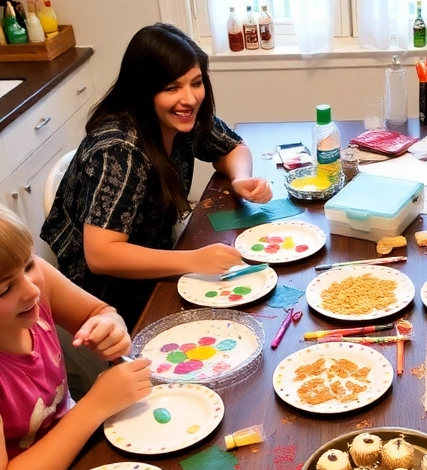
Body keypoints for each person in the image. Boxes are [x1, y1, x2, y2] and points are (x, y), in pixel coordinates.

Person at [42, 23, 272, 327]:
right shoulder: (119, 151)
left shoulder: (181, 118)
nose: (189, 98)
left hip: (159, 252)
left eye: (196, 83)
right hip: (110, 294)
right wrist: (193, 260)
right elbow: (100, 255)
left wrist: (240, 178)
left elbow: (232, 147)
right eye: (171, 88)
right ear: (143, 91)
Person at [0, 205, 151, 470]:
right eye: (4, 288)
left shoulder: (31, 283)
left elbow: (97, 310)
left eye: (29, 263)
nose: (32, 288)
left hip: (82, 462)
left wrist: (110, 326)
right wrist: (94, 406)